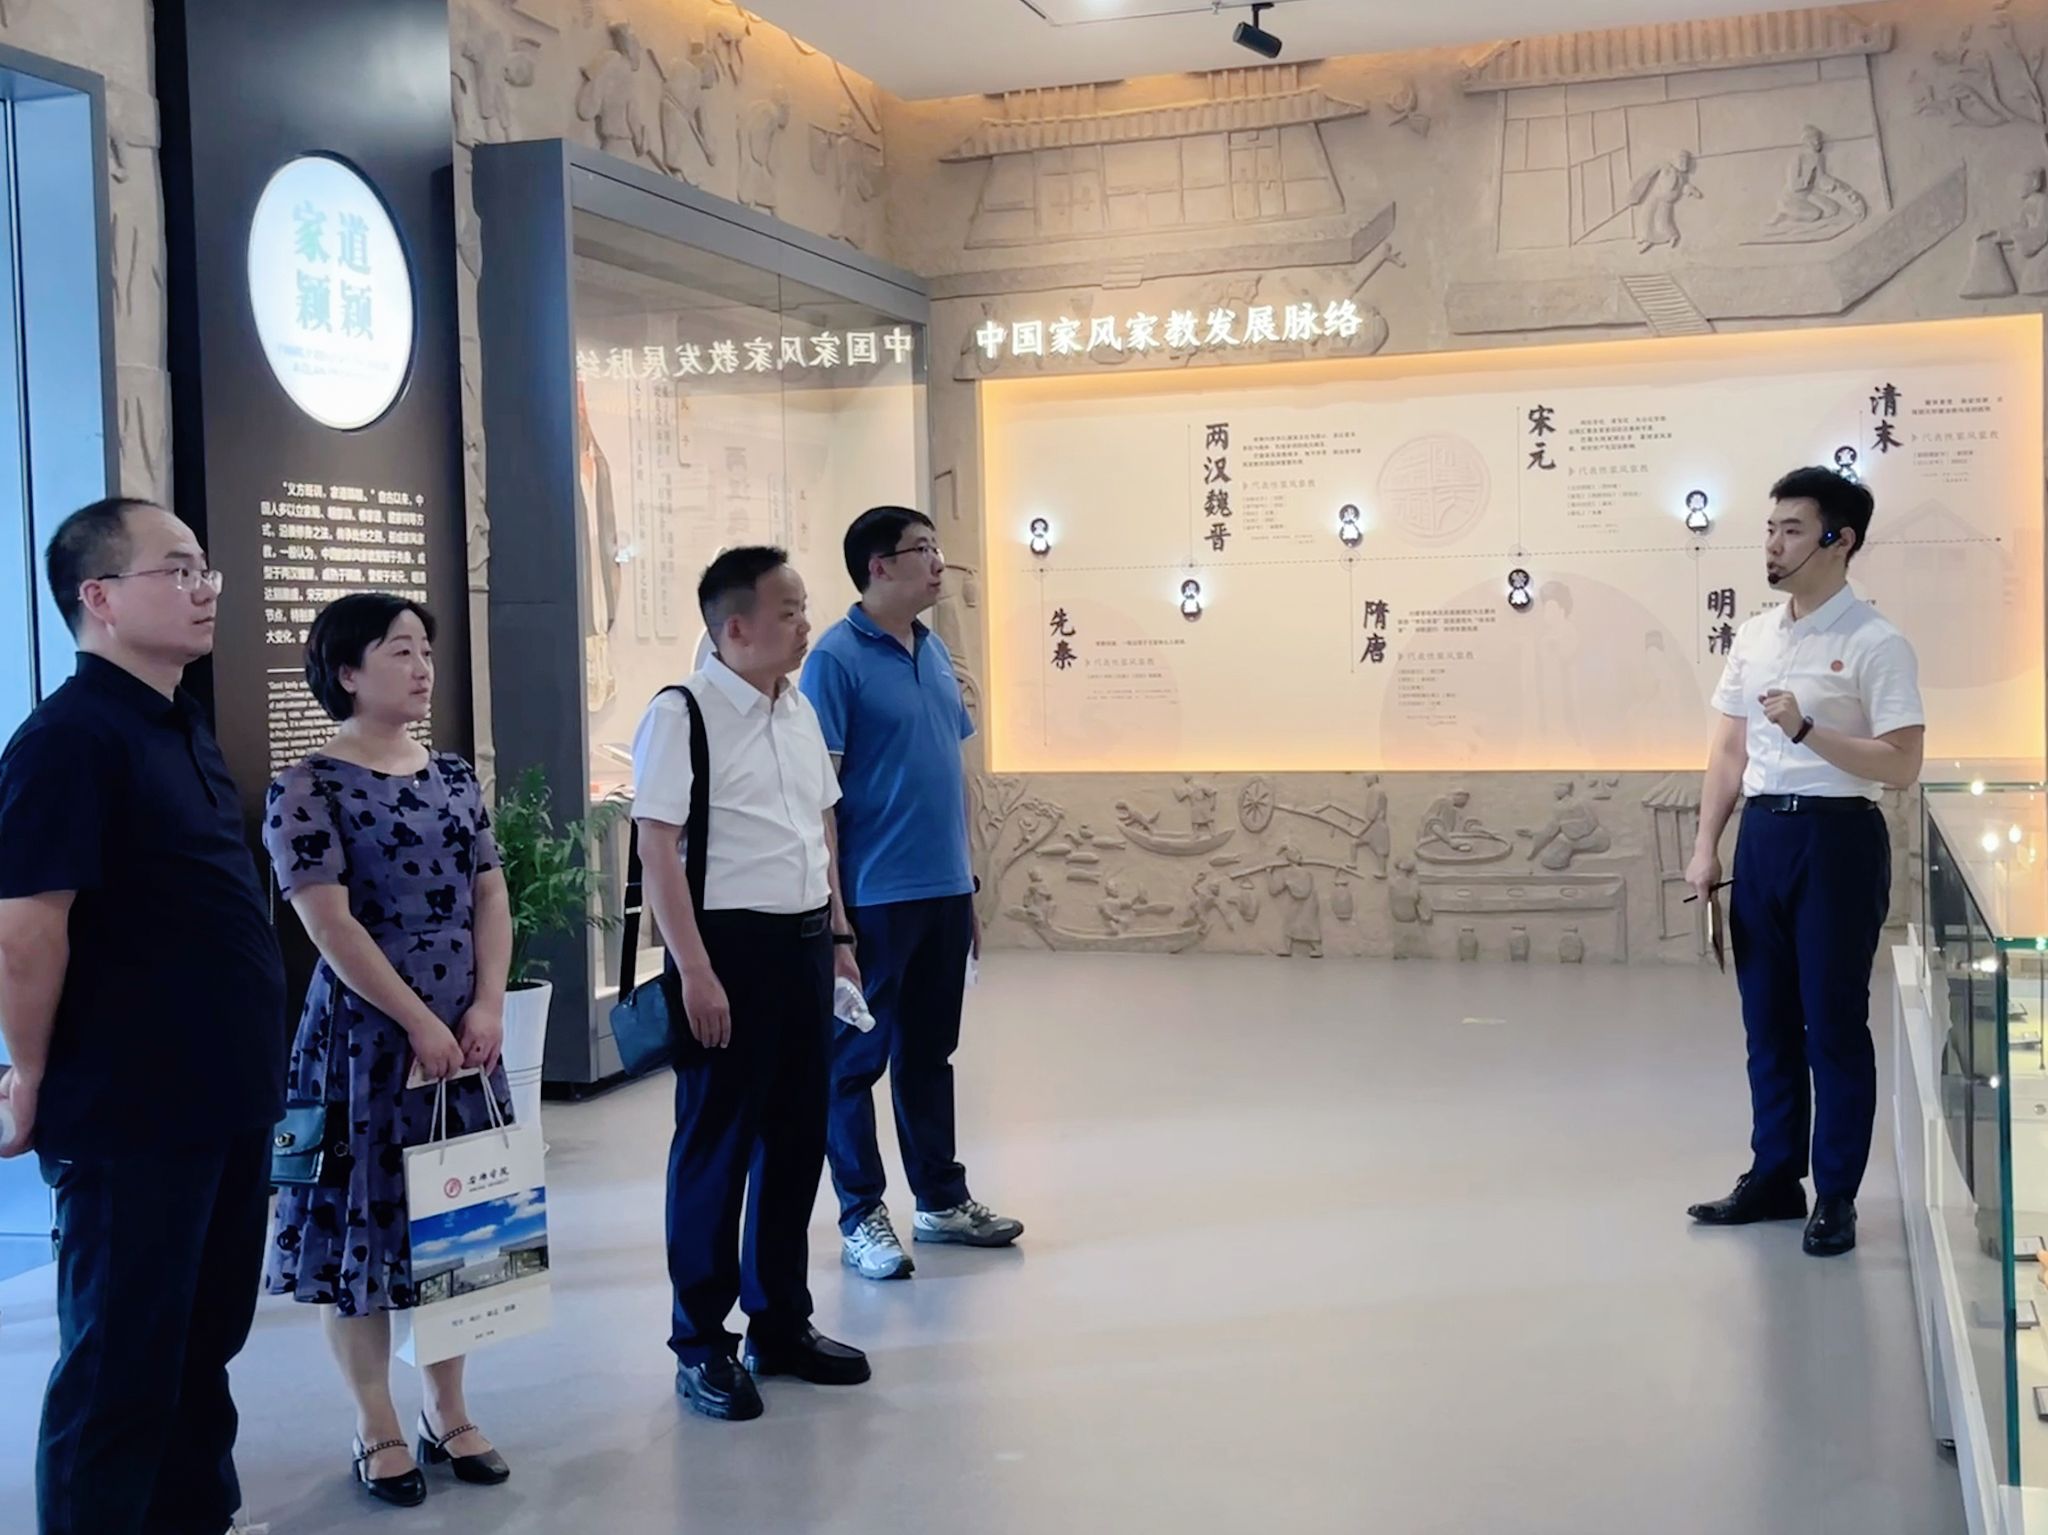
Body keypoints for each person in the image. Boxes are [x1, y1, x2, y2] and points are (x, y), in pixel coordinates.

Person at [0, 497, 286, 1535]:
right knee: (120, 1365)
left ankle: (194, 1516)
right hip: (131, 1108)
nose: (206, 588)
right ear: (101, 597)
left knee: (202, 1343)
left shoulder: (179, 723)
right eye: (178, 569)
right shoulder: (68, 740)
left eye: (206, 567)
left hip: (225, 1093)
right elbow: (27, 929)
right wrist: (28, 1072)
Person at [261, 593, 514, 1505]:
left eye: (425, 651)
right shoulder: (306, 785)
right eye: (399, 650)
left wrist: (488, 1003)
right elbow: (329, 925)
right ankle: (376, 1421)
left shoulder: (452, 774)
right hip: (358, 1043)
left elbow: (490, 891)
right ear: (347, 672)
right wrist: (419, 1021)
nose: (422, 667)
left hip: (465, 1032)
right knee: (355, 1238)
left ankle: (448, 1407)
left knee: (459, 1225)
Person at [633, 545, 869, 1421]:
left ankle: (780, 1322)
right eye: (790, 610)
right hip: (724, 950)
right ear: (736, 627)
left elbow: (819, 826)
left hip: (804, 945)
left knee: (797, 1136)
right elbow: (658, 848)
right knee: (717, 1144)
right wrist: (694, 968)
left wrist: (838, 934)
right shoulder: (682, 713)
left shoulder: (796, 706)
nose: (806, 624)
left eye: (804, 608)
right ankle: (701, 1341)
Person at [1685, 467, 1924, 1257]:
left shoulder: (1876, 642)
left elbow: (1902, 763)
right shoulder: (1755, 636)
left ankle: (1838, 1194)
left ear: (1839, 540)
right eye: (1770, 528)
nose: (1774, 543)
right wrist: (1706, 845)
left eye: (1792, 529)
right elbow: (1727, 751)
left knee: (1835, 1024)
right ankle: (1774, 1175)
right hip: (1763, 839)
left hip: (1837, 841)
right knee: (1767, 1022)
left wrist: (1808, 731)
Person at [801, 506, 1023, 1283]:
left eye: (937, 546)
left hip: (941, 891)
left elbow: (950, 773)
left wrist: (968, 884)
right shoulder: (834, 660)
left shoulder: (932, 651)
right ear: (878, 567)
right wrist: (835, 916)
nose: (937, 562)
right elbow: (820, 801)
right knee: (853, 1063)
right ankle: (861, 1214)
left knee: (930, 1052)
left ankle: (940, 1200)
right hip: (874, 897)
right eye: (921, 549)